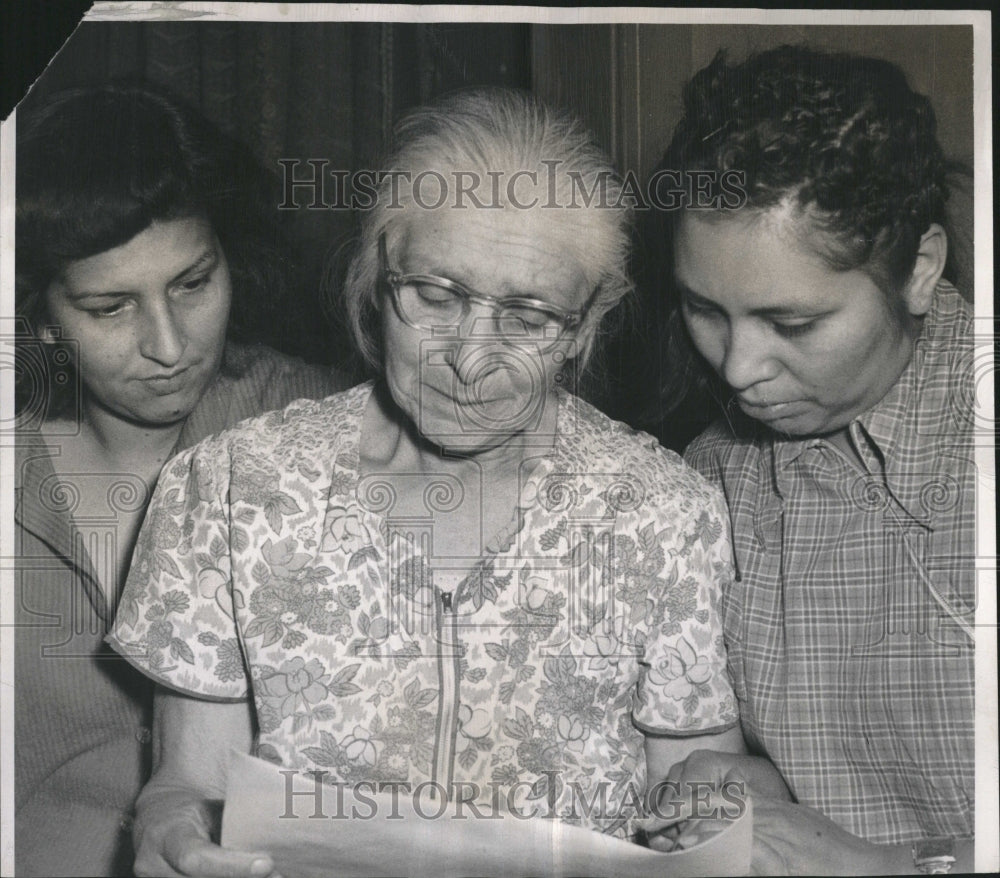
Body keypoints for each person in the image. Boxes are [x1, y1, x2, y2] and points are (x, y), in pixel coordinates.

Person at [107, 88, 744, 878]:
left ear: (584, 326)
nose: (470, 358)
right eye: (436, 296)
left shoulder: (664, 514)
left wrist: (708, 823)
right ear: (377, 278)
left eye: (529, 315)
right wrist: (168, 826)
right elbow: (191, 781)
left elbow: (703, 796)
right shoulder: (229, 490)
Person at [645, 46, 976, 873]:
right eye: (703, 309)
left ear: (920, 270)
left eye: (791, 325)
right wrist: (758, 785)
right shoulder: (715, 477)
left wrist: (879, 865)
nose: (736, 368)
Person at [12, 84, 350, 877]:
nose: (169, 346)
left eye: (193, 284)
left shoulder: (330, 426)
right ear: (35, 314)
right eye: (108, 307)